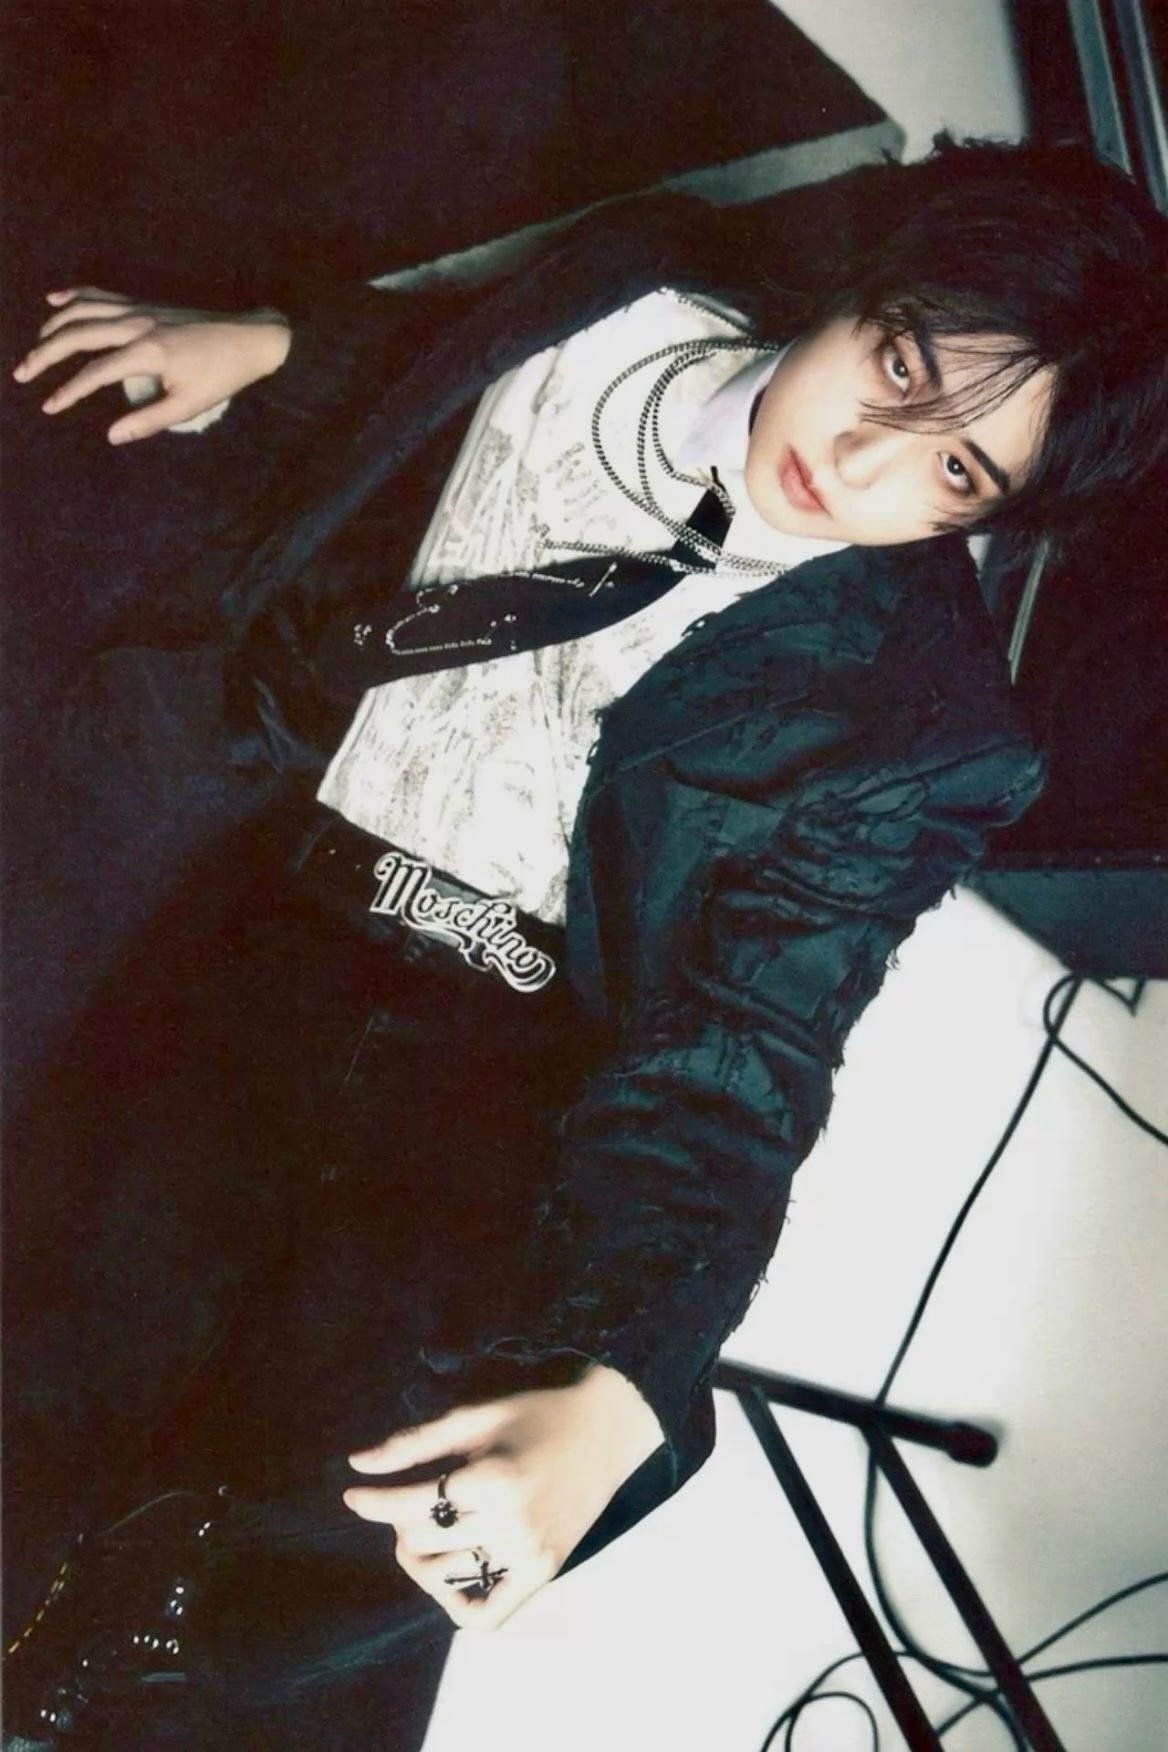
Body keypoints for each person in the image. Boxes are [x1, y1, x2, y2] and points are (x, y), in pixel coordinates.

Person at [5, 134, 1167, 1747]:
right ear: (862, 285)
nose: (865, 460)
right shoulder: (632, 286)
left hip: (504, 1062)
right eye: (900, 367)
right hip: (262, 905)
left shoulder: (924, 728)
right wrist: (271, 347)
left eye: (959, 474)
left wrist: (626, 1386)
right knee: (52, 1334)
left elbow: (748, 1051)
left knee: (346, 1503)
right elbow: (446, 359)